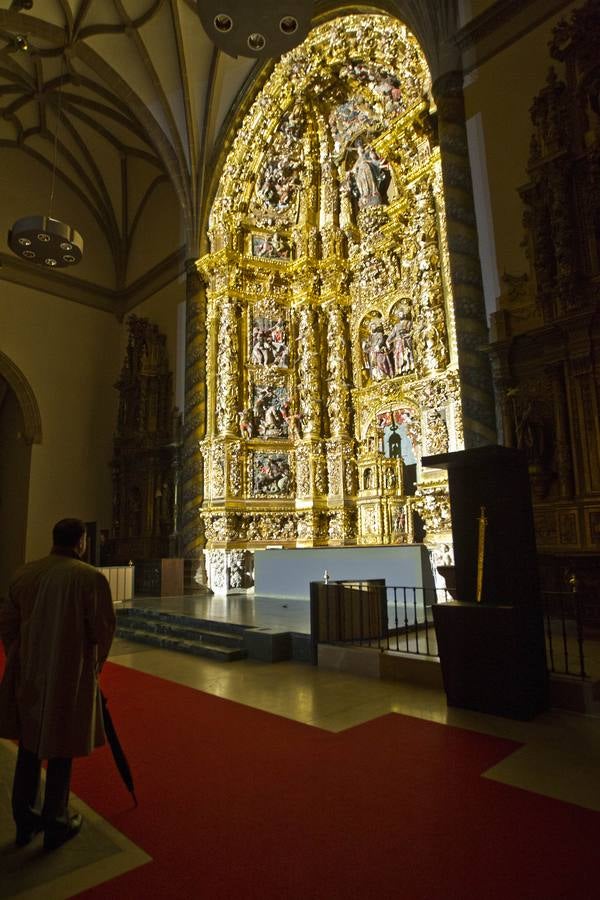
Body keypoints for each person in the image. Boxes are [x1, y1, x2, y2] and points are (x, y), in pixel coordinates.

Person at [0, 518, 115, 851]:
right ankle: (56, 820)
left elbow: (6, 624)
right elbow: (103, 629)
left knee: (29, 744)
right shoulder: (89, 577)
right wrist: (93, 667)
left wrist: (22, 656)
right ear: (81, 542)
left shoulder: (24, 573)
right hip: (69, 673)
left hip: (28, 670)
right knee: (62, 746)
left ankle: (25, 820)